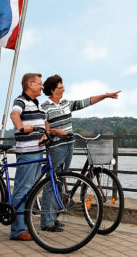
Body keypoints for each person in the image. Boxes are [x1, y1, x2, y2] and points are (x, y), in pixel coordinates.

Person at [40, 74, 120, 230]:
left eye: (63, 86)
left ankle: (53, 215)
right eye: (60, 87)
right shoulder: (45, 107)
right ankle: (47, 222)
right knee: (52, 182)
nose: (63, 89)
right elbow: (45, 130)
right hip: (56, 147)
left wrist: (105, 96)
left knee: (61, 180)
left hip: (70, 145)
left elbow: (86, 102)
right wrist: (57, 131)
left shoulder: (65, 103)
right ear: (52, 89)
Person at [9, 73, 45, 241]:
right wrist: (21, 127)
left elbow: (42, 125)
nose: (42, 86)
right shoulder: (21, 100)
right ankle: (17, 230)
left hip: (37, 152)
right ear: (30, 84)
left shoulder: (37, 104)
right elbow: (14, 114)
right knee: (22, 190)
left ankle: (24, 225)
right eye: (40, 83)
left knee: (30, 190)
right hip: (27, 153)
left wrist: (46, 135)